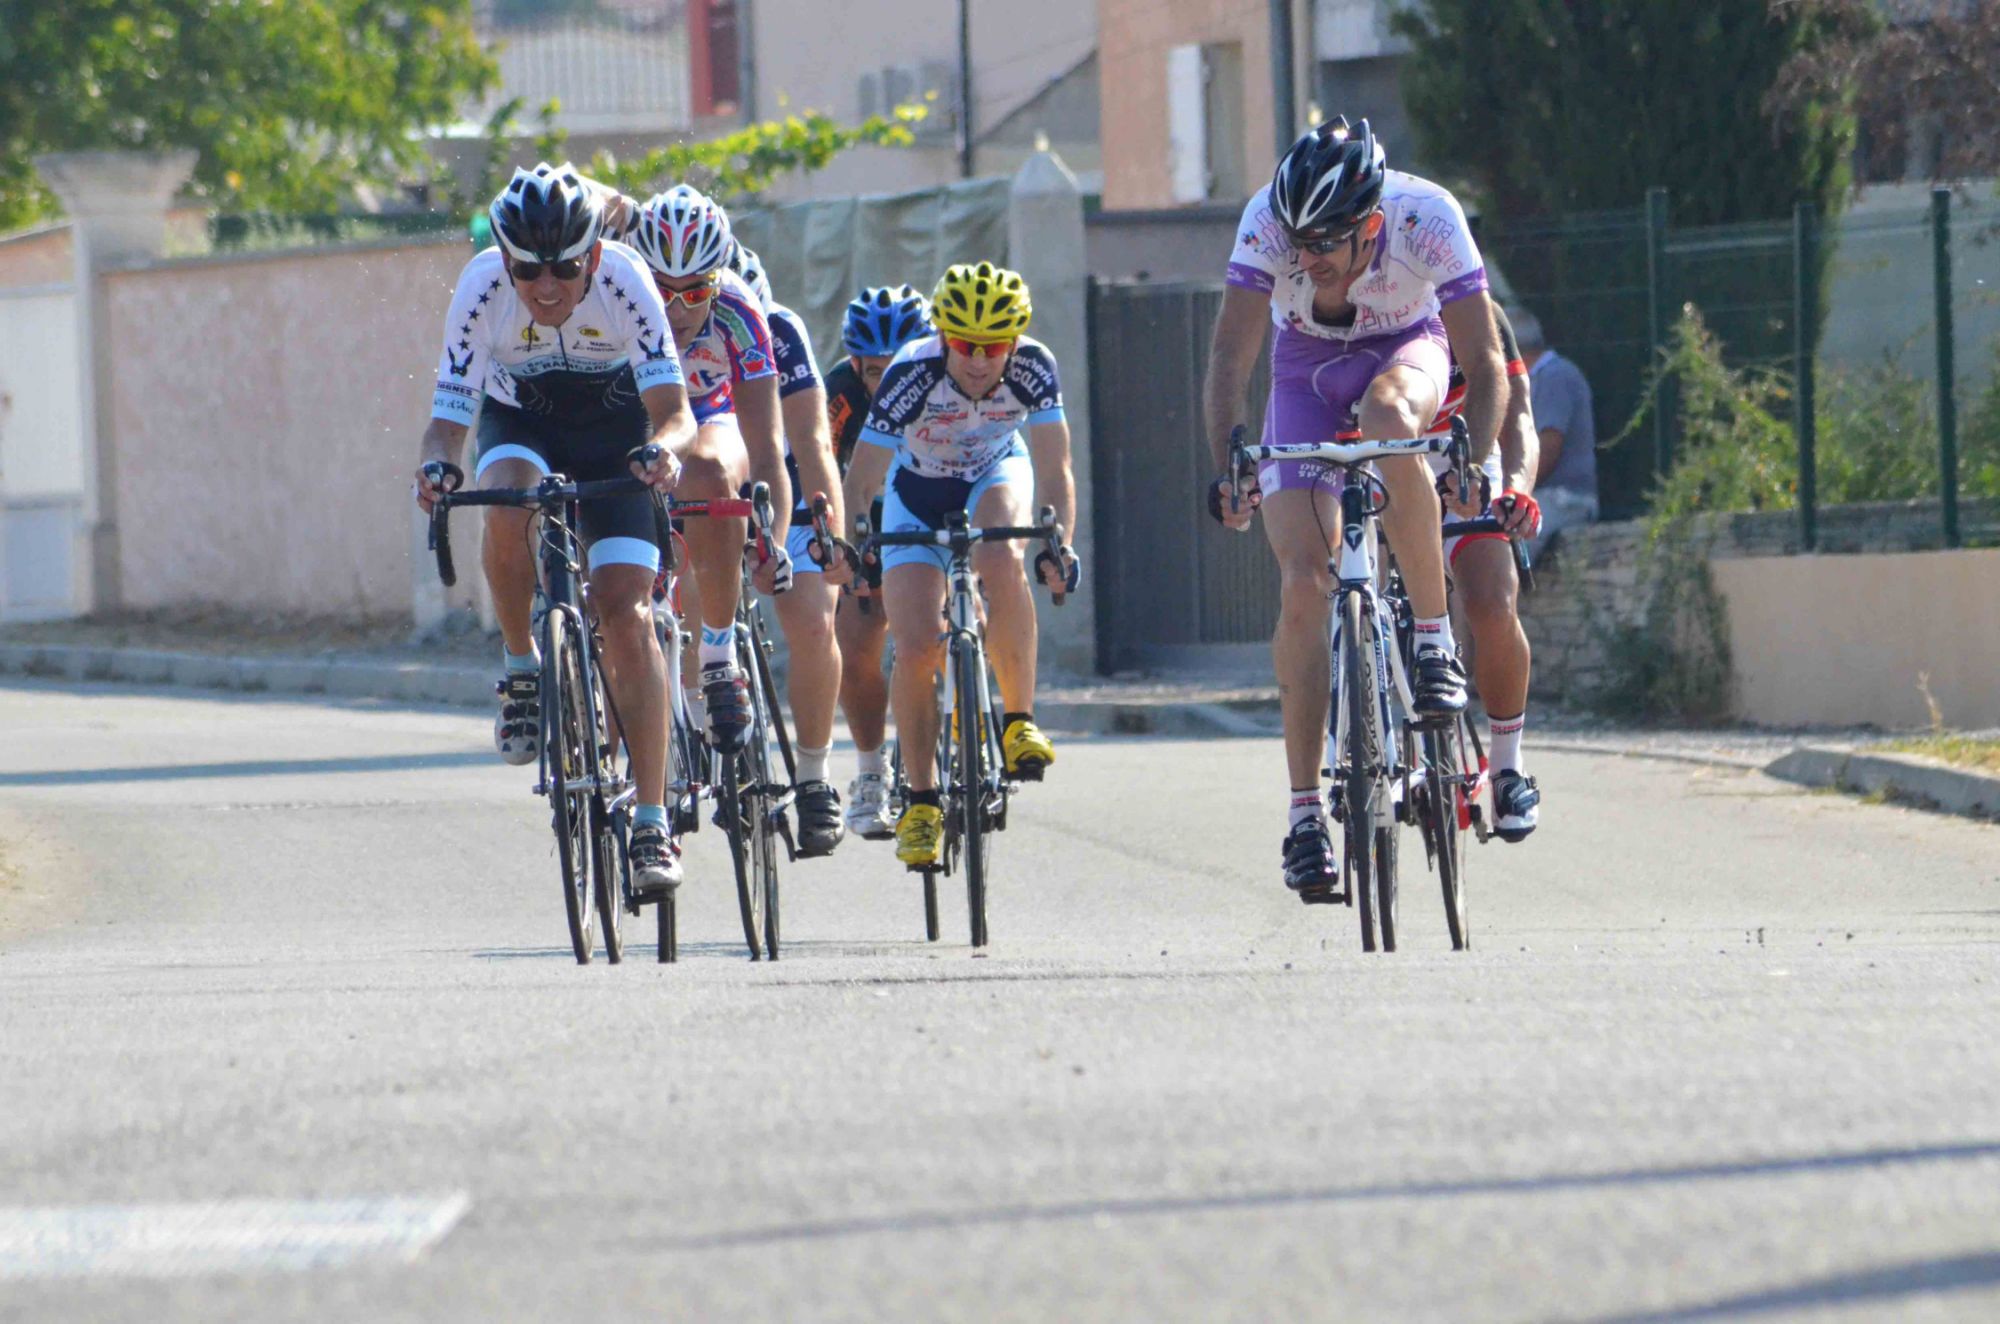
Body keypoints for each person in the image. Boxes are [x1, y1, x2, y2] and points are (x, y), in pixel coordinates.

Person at [1201, 116, 1509, 901]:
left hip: (1408, 350)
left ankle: (1433, 642)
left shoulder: (1428, 216)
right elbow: (1231, 356)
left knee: (1388, 420)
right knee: (1304, 583)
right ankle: (1306, 816)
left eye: (1328, 242)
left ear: (1371, 226)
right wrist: (1230, 463)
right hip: (1304, 369)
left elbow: (1484, 361)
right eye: (1299, 241)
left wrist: (1473, 459)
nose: (1309, 257)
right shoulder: (1266, 224)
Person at [413, 162, 696, 894]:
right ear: (503, 260)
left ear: (593, 256)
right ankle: (521, 668)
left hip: (618, 432)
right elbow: (448, 424)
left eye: (566, 269)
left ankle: (652, 822)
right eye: (528, 269)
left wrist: (665, 451)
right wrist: (438, 468)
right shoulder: (480, 288)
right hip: (524, 422)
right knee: (506, 496)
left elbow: (674, 412)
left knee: (627, 612)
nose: (546, 287)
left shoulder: (627, 280)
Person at [842, 263, 1079, 869]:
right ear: (943, 336)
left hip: (995, 473)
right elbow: (862, 479)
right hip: (916, 491)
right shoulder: (911, 372)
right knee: (918, 644)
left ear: (1014, 343)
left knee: (1001, 553)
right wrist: (855, 549)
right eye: (964, 345)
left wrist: (1059, 546)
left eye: (993, 347)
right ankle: (922, 802)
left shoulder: (1034, 366)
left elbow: (1056, 469)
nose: (978, 361)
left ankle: (1018, 721)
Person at [625, 185, 794, 761]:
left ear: (717, 282)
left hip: (711, 414)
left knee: (709, 469)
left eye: (694, 291)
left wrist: (773, 542)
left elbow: (767, 450)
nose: (676, 310)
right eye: (660, 290)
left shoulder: (739, 314)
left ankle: (719, 657)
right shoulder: (613, 301)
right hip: (636, 421)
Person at [724, 239, 856, 856]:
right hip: (708, 480)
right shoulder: (662, 323)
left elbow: (813, 442)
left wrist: (833, 537)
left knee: (812, 621)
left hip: (784, 482)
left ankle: (813, 777)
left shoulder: (780, 330)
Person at [1433, 305, 1543, 841]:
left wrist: (1516, 488)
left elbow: (1518, 415)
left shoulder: (1473, 304)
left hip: (1465, 451)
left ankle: (1506, 767)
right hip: (1380, 450)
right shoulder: (1350, 291)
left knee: (1491, 600)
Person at [830, 285, 933, 840]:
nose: (890, 383)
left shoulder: (947, 380)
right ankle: (872, 771)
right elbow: (819, 466)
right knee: (855, 641)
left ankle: (965, 721)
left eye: (898, 367)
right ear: (855, 367)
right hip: (870, 514)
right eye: (875, 372)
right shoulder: (841, 394)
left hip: (936, 505)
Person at [1516, 308, 1599, 544]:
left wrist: (1510, 490)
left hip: (1566, 499)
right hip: (1543, 495)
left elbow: (1548, 450)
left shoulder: (1555, 377)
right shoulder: (1534, 379)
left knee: (1507, 539)